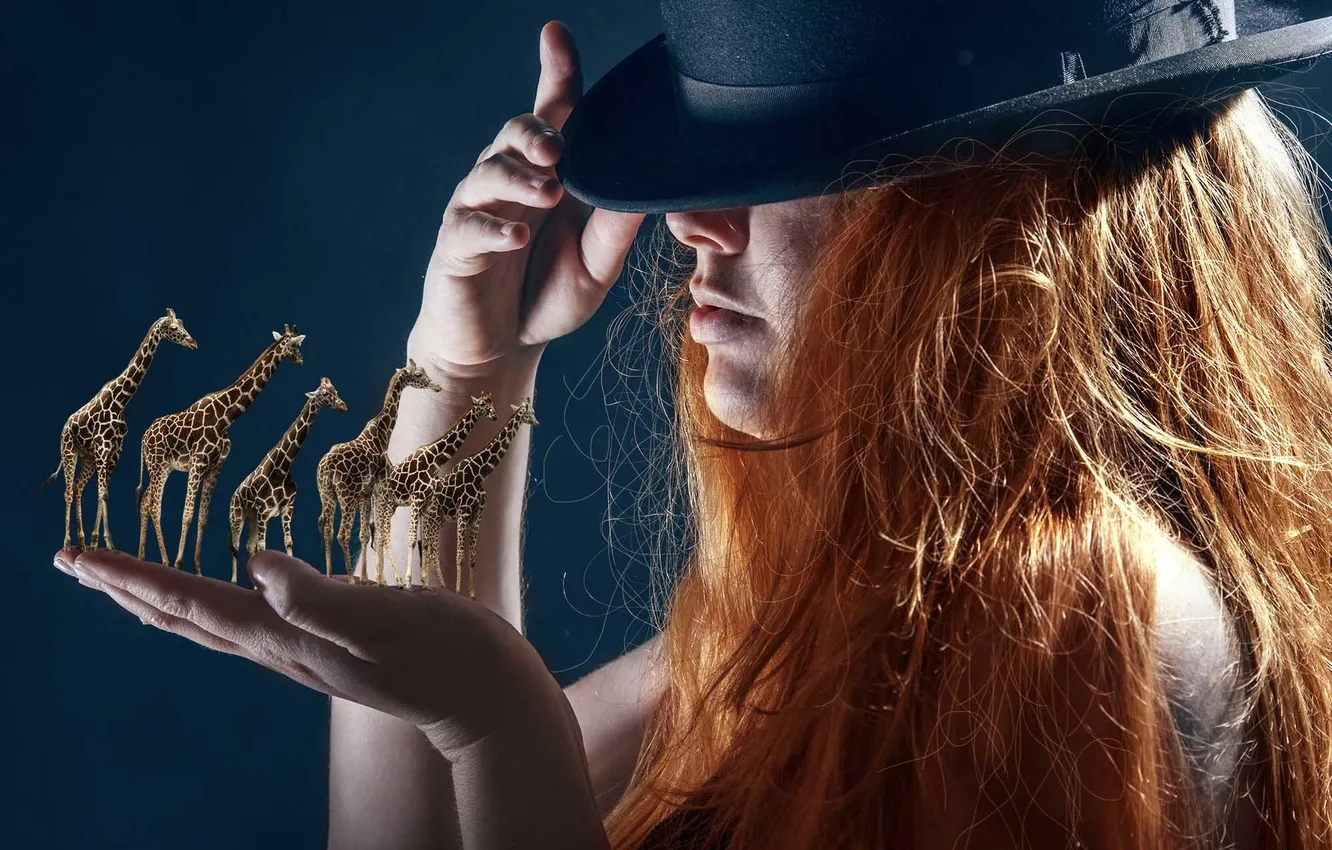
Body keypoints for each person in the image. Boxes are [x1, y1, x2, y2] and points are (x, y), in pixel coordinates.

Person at [55, 1, 1332, 848]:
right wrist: (467, 375)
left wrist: (499, 723)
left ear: (1001, 220)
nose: (692, 226)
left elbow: (489, 758)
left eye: (794, 171)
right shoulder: (805, 627)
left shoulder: (1081, 616)